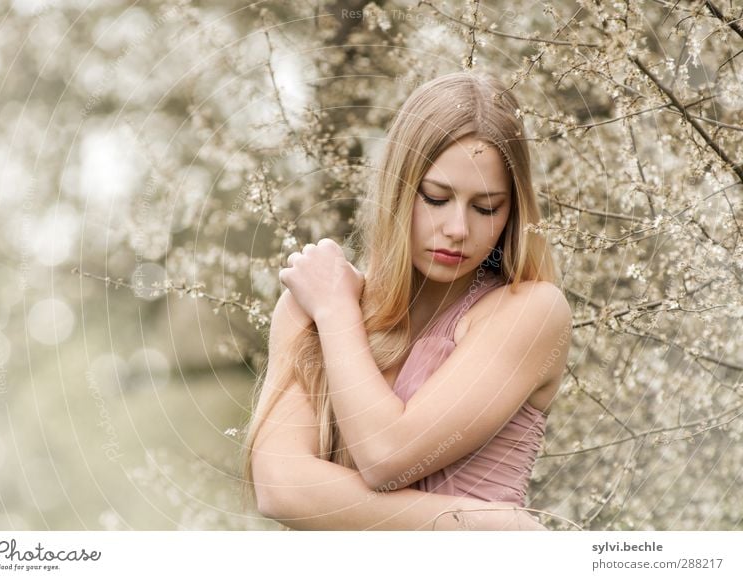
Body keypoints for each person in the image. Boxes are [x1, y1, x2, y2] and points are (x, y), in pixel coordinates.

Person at [241, 70, 572, 530]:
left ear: (513, 212)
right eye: (436, 198)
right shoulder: (312, 307)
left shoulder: (530, 312)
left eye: (486, 207)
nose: (458, 228)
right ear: (398, 189)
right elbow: (281, 489)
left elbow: (386, 456)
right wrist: (485, 527)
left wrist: (335, 314)